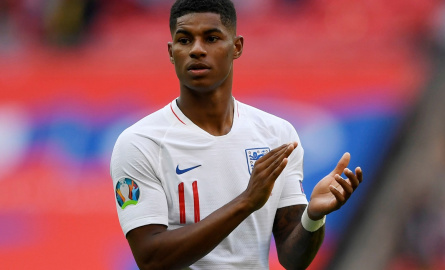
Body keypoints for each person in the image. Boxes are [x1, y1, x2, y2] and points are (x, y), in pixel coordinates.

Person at [110, 0, 363, 269]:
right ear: (172, 52)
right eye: (185, 40)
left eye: (211, 38)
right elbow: (151, 259)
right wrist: (245, 202)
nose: (197, 49)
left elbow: (292, 258)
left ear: (236, 47)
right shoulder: (140, 143)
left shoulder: (277, 135)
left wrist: (313, 217)